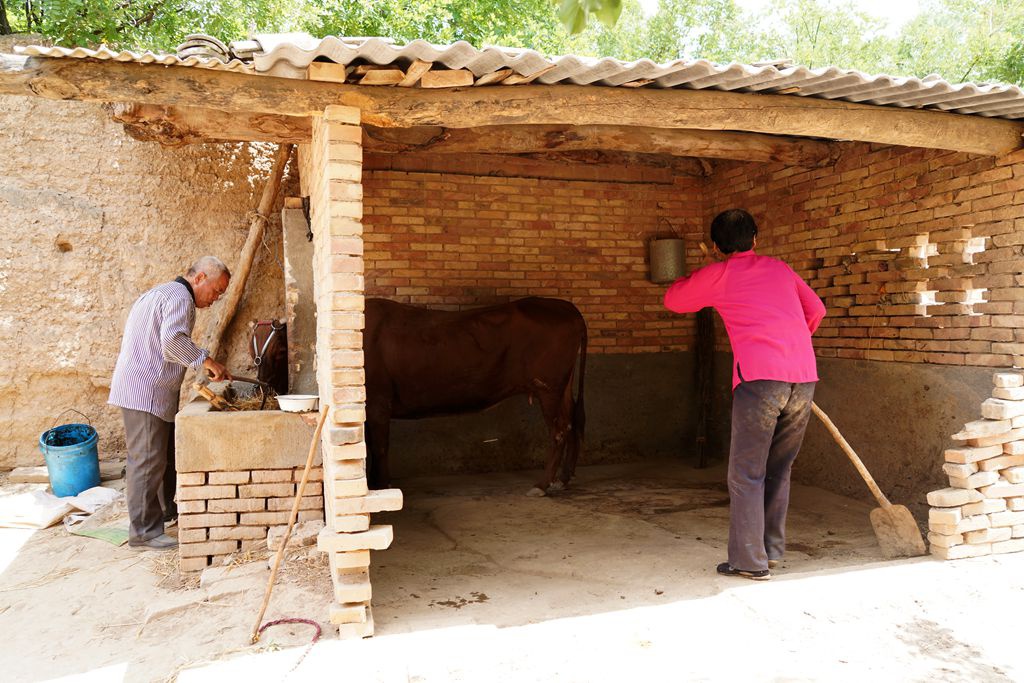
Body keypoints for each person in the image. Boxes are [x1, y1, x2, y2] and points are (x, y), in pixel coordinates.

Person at [663, 209, 826, 580]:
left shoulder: (719, 275)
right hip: (802, 377)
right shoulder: (781, 269)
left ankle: (749, 562)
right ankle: (771, 550)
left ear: (718, 246)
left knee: (746, 474)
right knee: (778, 469)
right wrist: (791, 346)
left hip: (759, 382)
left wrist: (700, 274)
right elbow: (816, 309)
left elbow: (673, 300)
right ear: (755, 239)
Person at [109, 256, 232, 550]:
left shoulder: (160, 293)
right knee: (147, 460)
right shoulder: (181, 299)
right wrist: (206, 360)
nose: (215, 299)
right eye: (216, 291)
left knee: (159, 458)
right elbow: (172, 340)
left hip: (143, 387)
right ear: (200, 278)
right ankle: (144, 532)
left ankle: (162, 515)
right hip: (145, 390)